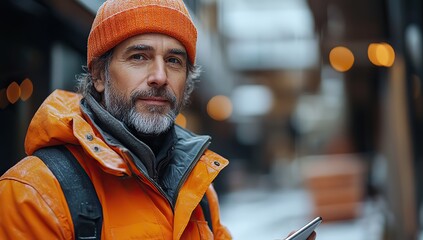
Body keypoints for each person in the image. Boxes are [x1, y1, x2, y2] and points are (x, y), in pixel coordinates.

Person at [0, 0, 317, 239]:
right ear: (98, 75)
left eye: (174, 61)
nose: (159, 77)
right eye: (139, 56)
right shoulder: (33, 194)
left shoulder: (199, 193)